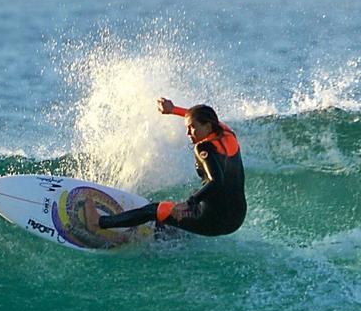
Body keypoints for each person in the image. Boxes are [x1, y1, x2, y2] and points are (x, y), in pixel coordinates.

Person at [86, 98, 246, 237]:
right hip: (237, 218)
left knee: (154, 210)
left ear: (208, 126)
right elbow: (202, 119)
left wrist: (189, 203)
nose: (188, 133)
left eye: (192, 127)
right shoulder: (227, 134)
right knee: (194, 196)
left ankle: (99, 222)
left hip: (215, 222)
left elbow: (216, 181)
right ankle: (171, 233)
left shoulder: (204, 148)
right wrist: (173, 110)